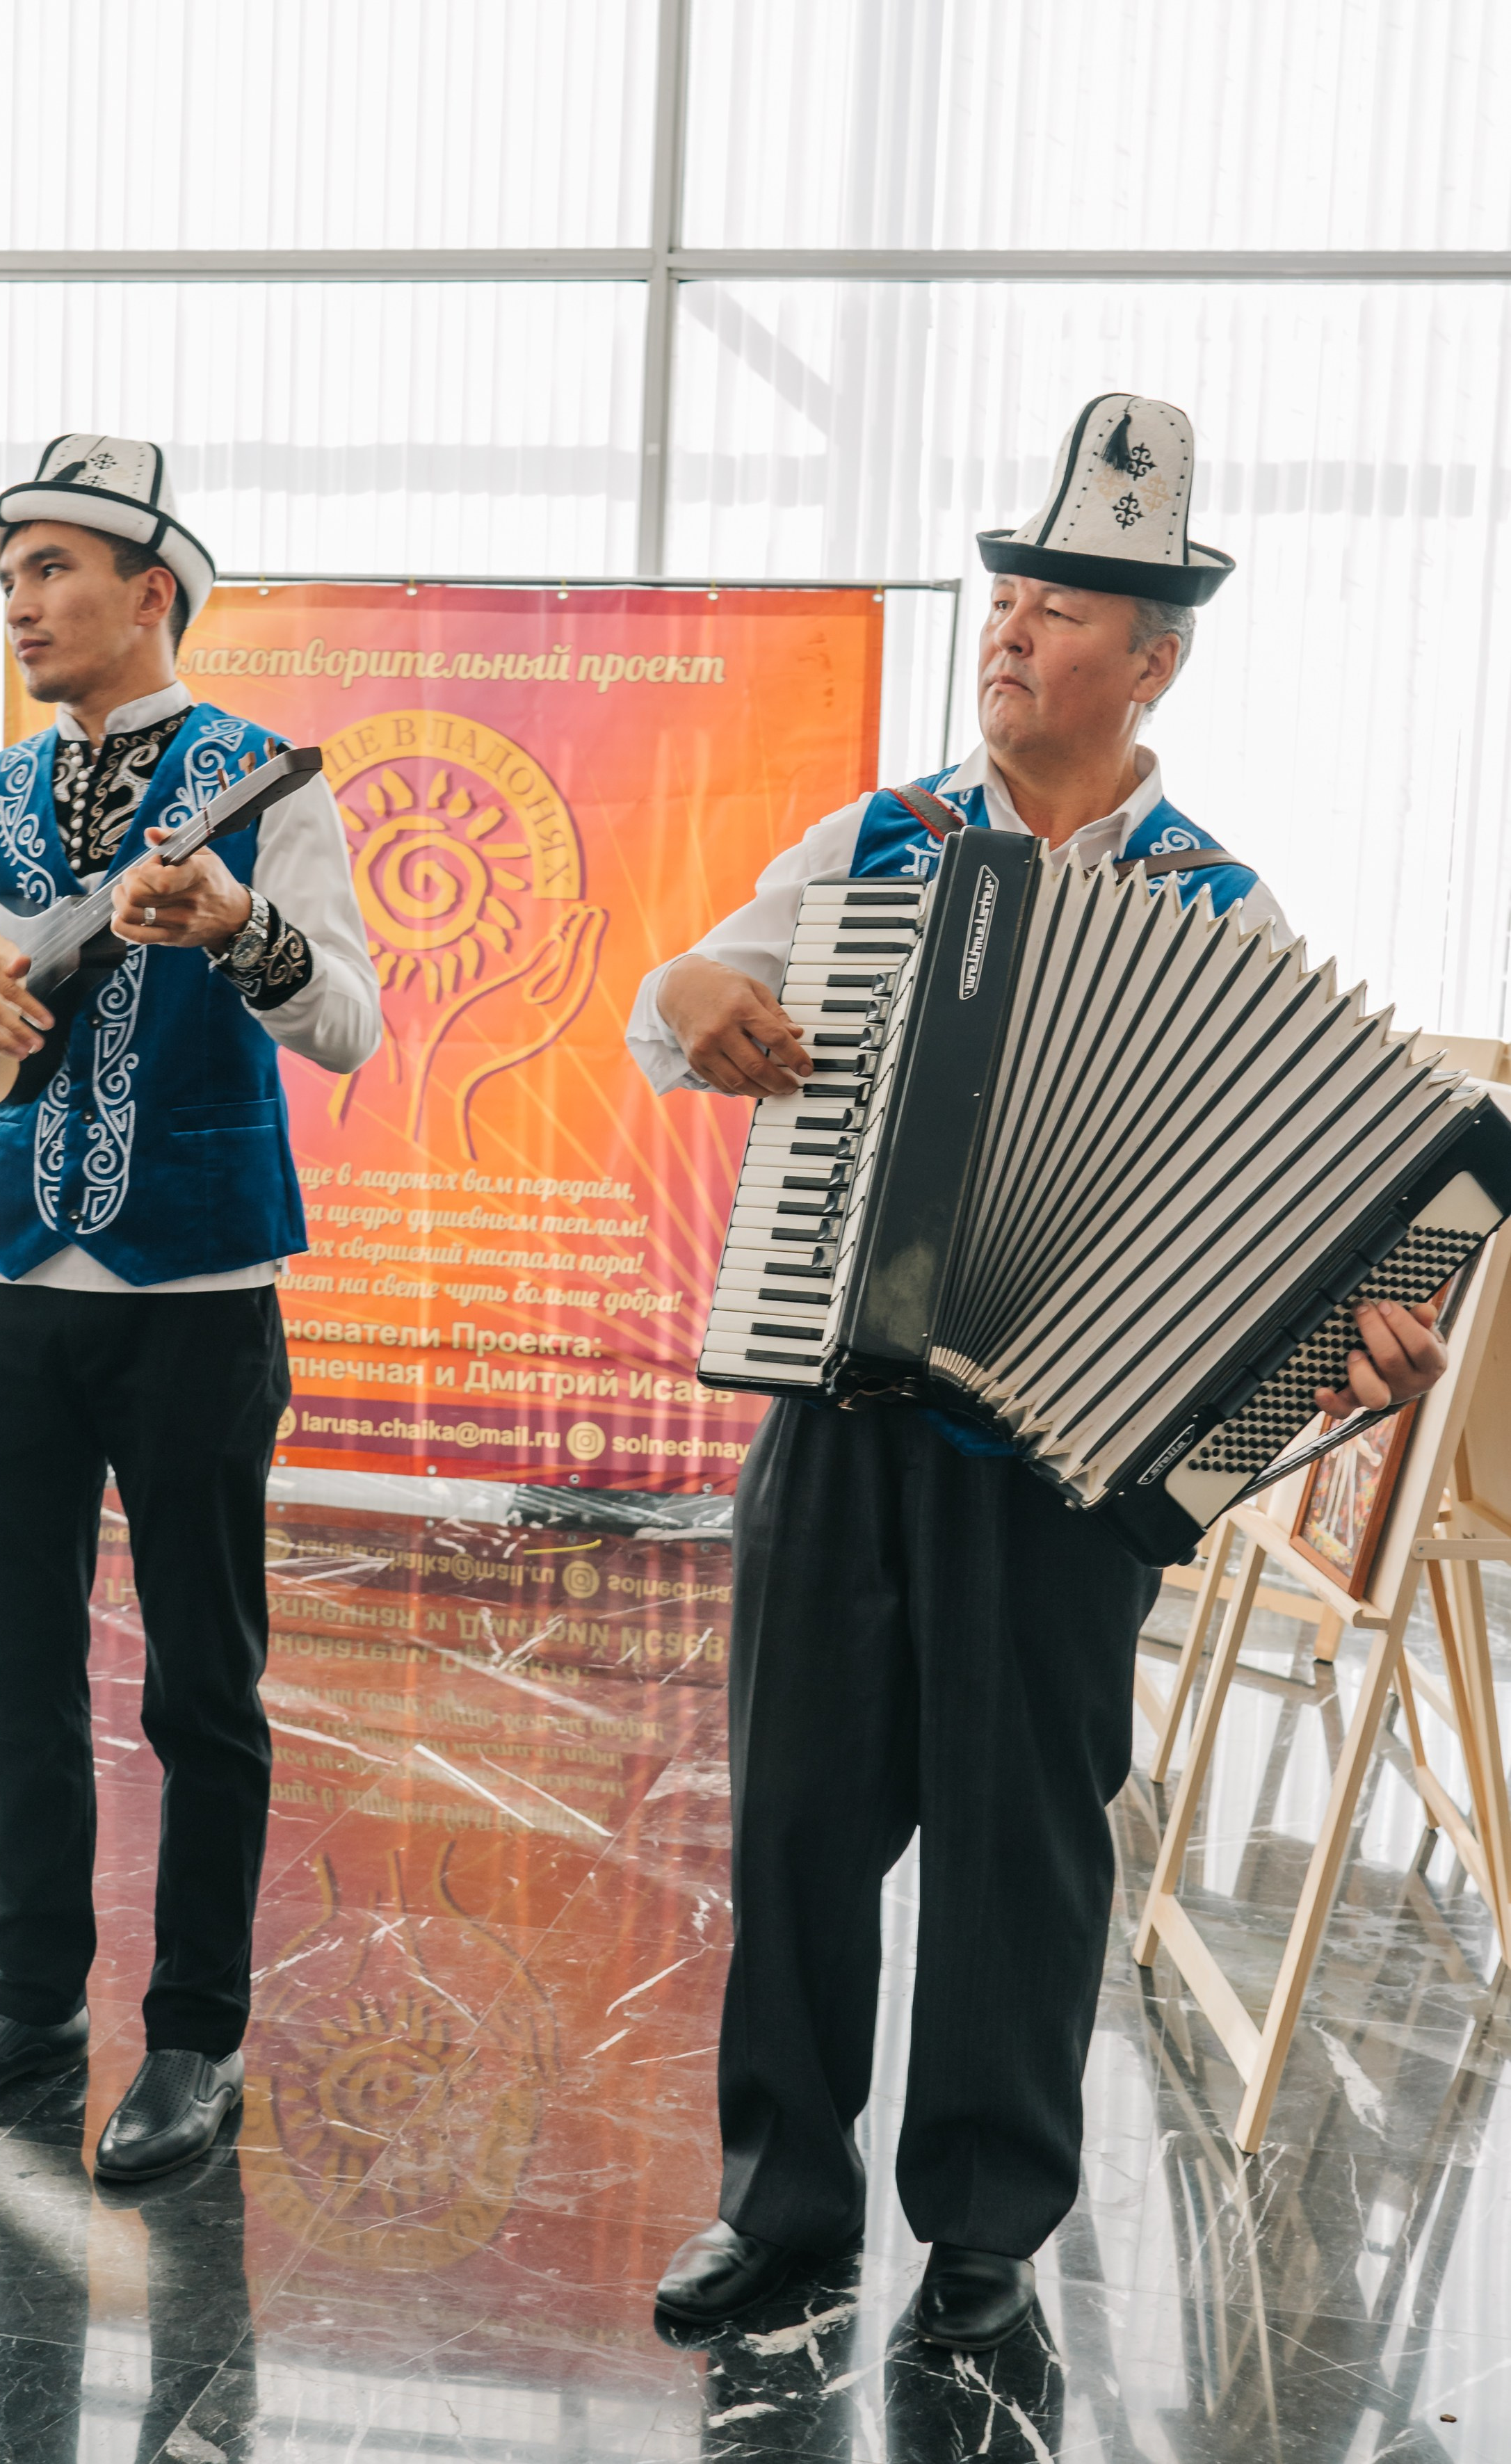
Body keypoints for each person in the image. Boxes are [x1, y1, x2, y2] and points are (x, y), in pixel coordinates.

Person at [627, 394, 1448, 2349]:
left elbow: (1295, 1209)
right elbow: (680, 1005)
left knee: (1022, 1853)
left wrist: (1364, 1321)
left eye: (1060, 608)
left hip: (1064, 1471)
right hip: (838, 1415)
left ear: (1151, 660)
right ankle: (782, 2207)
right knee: (800, 1824)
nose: (1006, 630)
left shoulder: (1214, 912)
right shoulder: (876, 838)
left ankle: (984, 2238)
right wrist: (698, 994)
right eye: (1005, 595)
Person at [0, 434, 380, 2180]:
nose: (20, 602)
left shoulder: (263, 782)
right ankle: (31, 2010)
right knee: (12, 1673)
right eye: (9, 576)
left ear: (150, 588)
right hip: (0, 1287)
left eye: (54, 570)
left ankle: (195, 2036)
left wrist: (238, 922)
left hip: (196, 1294)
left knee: (203, 1686)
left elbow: (351, 1027)